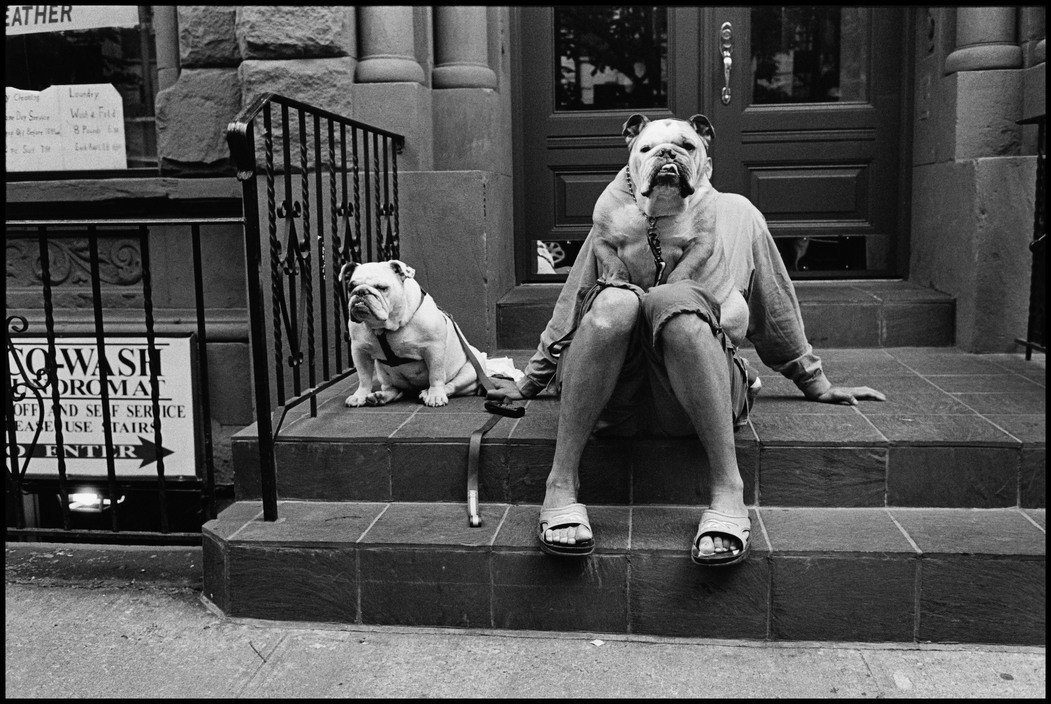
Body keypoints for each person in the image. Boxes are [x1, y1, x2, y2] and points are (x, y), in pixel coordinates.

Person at [487, 113, 885, 565]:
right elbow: (575, 302)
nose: (668, 158)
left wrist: (814, 381)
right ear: (632, 164)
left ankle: (727, 489)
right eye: (651, 150)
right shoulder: (619, 216)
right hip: (614, 398)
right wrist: (529, 381)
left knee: (680, 308)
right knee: (613, 304)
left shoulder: (737, 214)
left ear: (706, 163)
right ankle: (560, 481)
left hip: (695, 394)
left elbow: (773, 304)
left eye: (684, 147)